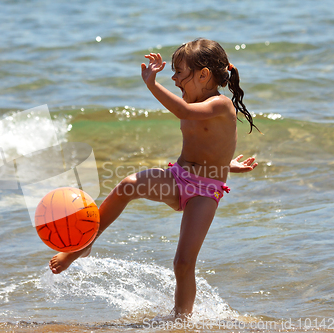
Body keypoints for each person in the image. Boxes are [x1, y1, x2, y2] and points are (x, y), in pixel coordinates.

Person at [49, 38, 259, 318]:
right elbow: (208, 143)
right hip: (178, 177)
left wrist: (151, 84)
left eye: (179, 72)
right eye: (172, 72)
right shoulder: (190, 99)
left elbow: (186, 114)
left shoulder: (219, 105)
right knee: (127, 185)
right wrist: (226, 162)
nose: (173, 78)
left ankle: (181, 321)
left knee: (183, 263)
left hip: (205, 192)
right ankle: (84, 245)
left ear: (204, 75)